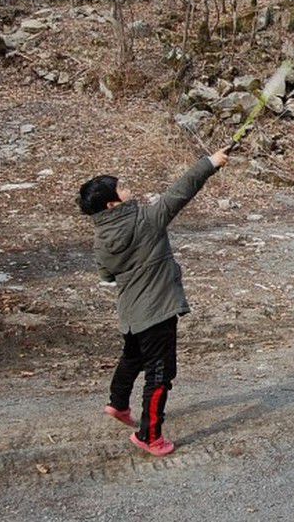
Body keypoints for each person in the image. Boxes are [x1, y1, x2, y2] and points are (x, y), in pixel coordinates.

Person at [77, 148, 229, 456]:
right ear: (112, 203)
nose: (127, 188)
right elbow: (181, 191)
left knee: (133, 356)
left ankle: (118, 404)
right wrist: (211, 163)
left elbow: (106, 275)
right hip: (157, 311)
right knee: (160, 375)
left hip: (131, 313)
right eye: (121, 187)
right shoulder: (147, 220)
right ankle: (150, 436)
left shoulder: (100, 238)